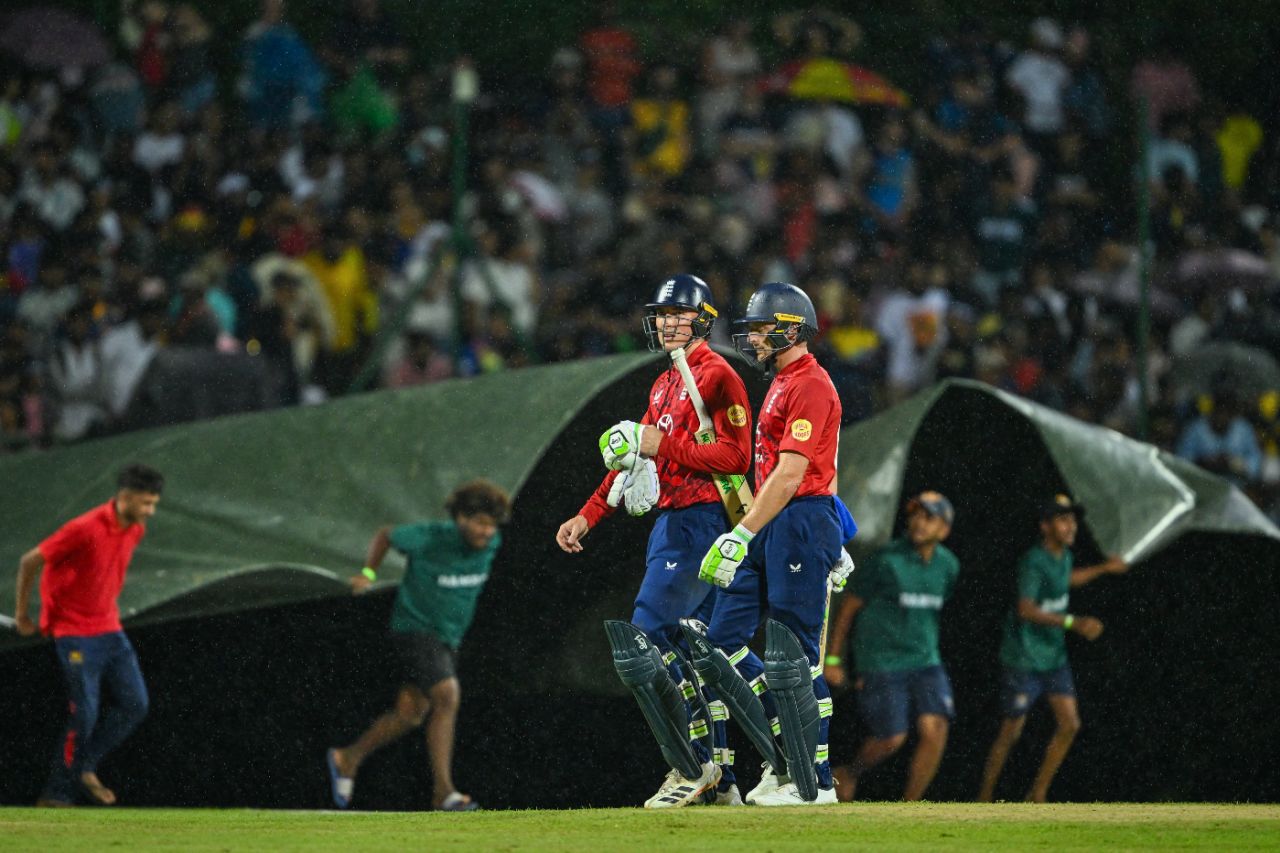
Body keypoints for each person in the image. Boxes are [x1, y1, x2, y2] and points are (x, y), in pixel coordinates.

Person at [557, 274, 753, 808]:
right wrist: (588, 514)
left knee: (645, 638)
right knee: (701, 652)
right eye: (662, 314)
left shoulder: (718, 376)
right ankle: (725, 778)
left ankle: (690, 766)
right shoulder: (666, 381)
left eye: (677, 314)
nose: (666, 323)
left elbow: (737, 457)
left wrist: (661, 441)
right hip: (674, 524)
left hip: (701, 523)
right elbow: (636, 459)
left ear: (703, 320)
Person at [697, 281, 845, 806]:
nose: (753, 339)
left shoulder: (810, 384)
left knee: (798, 657)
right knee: (722, 642)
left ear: (790, 329)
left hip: (796, 520)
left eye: (762, 329)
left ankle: (815, 782)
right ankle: (785, 758)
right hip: (782, 519)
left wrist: (740, 534)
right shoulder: (784, 382)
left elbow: (793, 473)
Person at [326, 479, 512, 812]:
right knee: (447, 695)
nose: (487, 532)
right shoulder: (432, 536)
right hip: (415, 630)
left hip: (448, 639)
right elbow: (386, 535)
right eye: (480, 523)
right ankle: (444, 792)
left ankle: (347, 758)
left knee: (410, 714)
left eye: (492, 525)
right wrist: (368, 572)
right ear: (461, 518)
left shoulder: (492, 543)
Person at [13, 463, 165, 807]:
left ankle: (84, 767)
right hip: (75, 634)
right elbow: (29, 561)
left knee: (135, 704)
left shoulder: (135, 529)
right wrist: (24, 614)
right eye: (145, 503)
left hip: (110, 630)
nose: (150, 512)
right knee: (85, 713)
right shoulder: (84, 527)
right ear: (124, 497)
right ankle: (56, 795)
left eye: (154, 503)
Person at [976, 494, 1128, 802]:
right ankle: (984, 798)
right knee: (1011, 732)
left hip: (1053, 658)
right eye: (1063, 519)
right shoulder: (1033, 561)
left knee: (1070, 724)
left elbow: (1065, 580)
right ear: (1045, 527)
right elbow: (1025, 609)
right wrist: (1074, 623)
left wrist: (1102, 569)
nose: (1071, 525)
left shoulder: (1064, 556)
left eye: (1072, 519)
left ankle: (1038, 794)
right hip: (1024, 658)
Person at [825, 492, 960, 802]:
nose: (918, 522)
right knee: (891, 738)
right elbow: (848, 609)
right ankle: (849, 773)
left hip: (926, 660)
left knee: (936, 728)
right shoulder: (885, 560)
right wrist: (834, 658)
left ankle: (910, 806)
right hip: (882, 661)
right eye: (914, 514)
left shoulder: (949, 566)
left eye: (928, 517)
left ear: (944, 529)